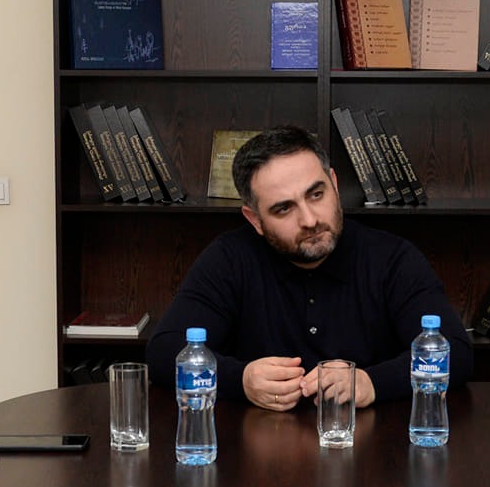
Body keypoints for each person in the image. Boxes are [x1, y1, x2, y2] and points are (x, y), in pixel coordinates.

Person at [145, 125, 472, 410]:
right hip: (255, 461)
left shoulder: (392, 258)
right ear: (255, 220)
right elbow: (163, 353)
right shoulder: (229, 259)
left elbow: (455, 352)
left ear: (333, 183)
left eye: (316, 194)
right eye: (284, 208)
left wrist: (371, 383)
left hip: (372, 456)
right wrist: (240, 380)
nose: (310, 220)